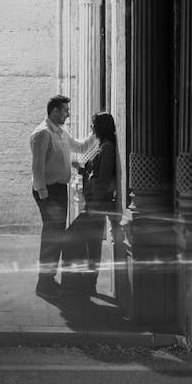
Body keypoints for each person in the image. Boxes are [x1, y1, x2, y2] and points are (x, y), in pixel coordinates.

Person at [30, 94, 94, 298]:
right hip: (48, 191)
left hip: (59, 190)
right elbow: (37, 168)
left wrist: (96, 133)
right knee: (52, 237)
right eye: (65, 110)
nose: (68, 114)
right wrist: (44, 196)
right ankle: (44, 284)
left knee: (55, 236)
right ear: (55, 111)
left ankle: (48, 281)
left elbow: (80, 147)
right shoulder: (42, 134)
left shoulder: (61, 133)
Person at [72, 111, 118, 295]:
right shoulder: (101, 146)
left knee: (91, 243)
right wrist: (81, 168)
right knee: (90, 242)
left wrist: (94, 203)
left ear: (101, 127)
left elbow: (104, 177)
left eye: (93, 124)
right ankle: (87, 281)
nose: (91, 128)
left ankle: (89, 282)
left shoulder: (107, 147)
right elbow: (95, 172)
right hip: (93, 201)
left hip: (98, 202)